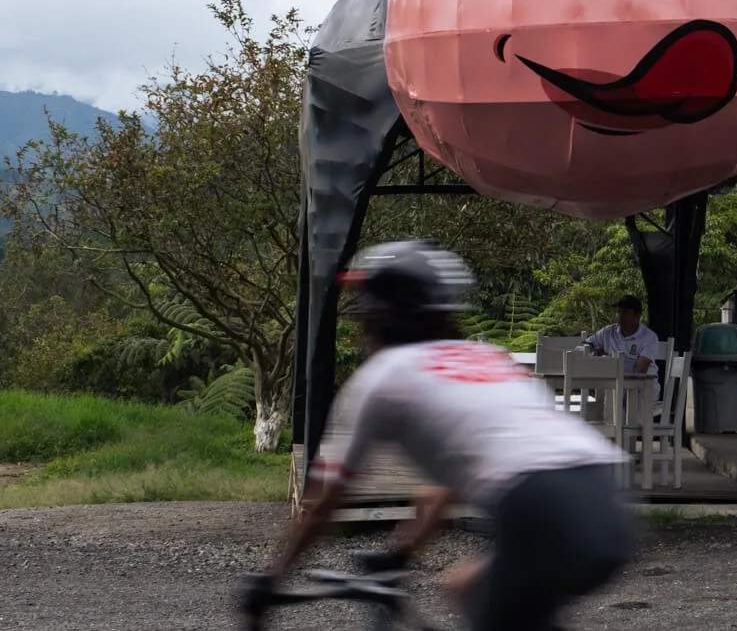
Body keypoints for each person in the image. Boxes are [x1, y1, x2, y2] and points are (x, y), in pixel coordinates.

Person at [240, 240, 634, 631]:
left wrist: (271, 577)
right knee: (465, 585)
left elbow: (325, 501)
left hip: (536, 507)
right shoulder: (487, 357)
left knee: (484, 600)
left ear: (382, 313)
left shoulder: (385, 374)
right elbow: (447, 485)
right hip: (606, 502)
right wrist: (401, 552)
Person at [584, 294, 661, 382]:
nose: (620, 315)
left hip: (643, 388)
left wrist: (610, 360)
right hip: (610, 386)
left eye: (625, 312)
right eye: (619, 311)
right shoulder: (608, 332)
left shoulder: (649, 337)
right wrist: (594, 353)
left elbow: (640, 372)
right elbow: (586, 345)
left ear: (637, 315)